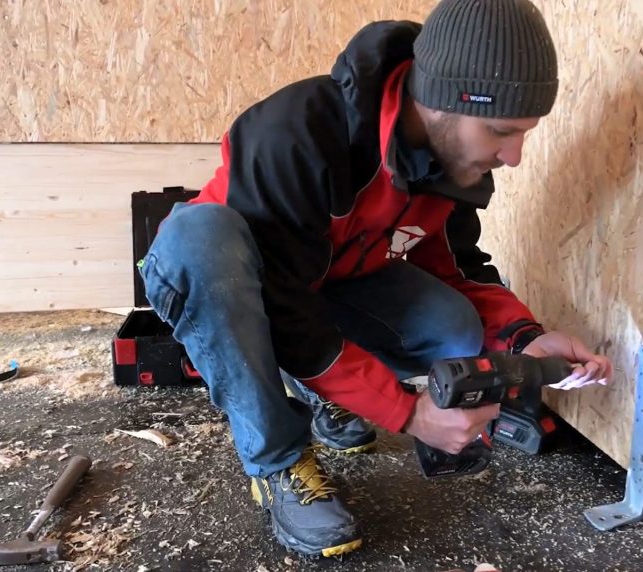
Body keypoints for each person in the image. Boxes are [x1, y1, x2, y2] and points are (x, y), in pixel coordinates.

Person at [140, 0, 612, 558]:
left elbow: (460, 270)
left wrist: (525, 338)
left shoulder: (448, 165)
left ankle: (324, 392)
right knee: (203, 239)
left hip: (324, 285)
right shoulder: (298, 132)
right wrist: (407, 412)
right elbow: (285, 312)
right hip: (217, 280)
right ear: (441, 103)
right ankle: (278, 463)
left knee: (453, 326)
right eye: (501, 131)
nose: (514, 157)